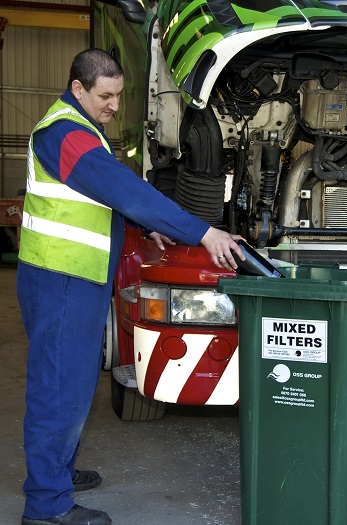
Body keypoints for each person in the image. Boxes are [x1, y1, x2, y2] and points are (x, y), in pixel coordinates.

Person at [16, 48, 245, 525]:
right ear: (78, 88)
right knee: (59, 388)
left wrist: (145, 228)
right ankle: (46, 504)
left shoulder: (82, 129)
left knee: (73, 385)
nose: (114, 105)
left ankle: (57, 471)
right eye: (106, 96)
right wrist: (202, 232)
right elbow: (122, 189)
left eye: (119, 95)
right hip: (62, 279)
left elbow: (97, 201)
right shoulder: (65, 133)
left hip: (72, 277)